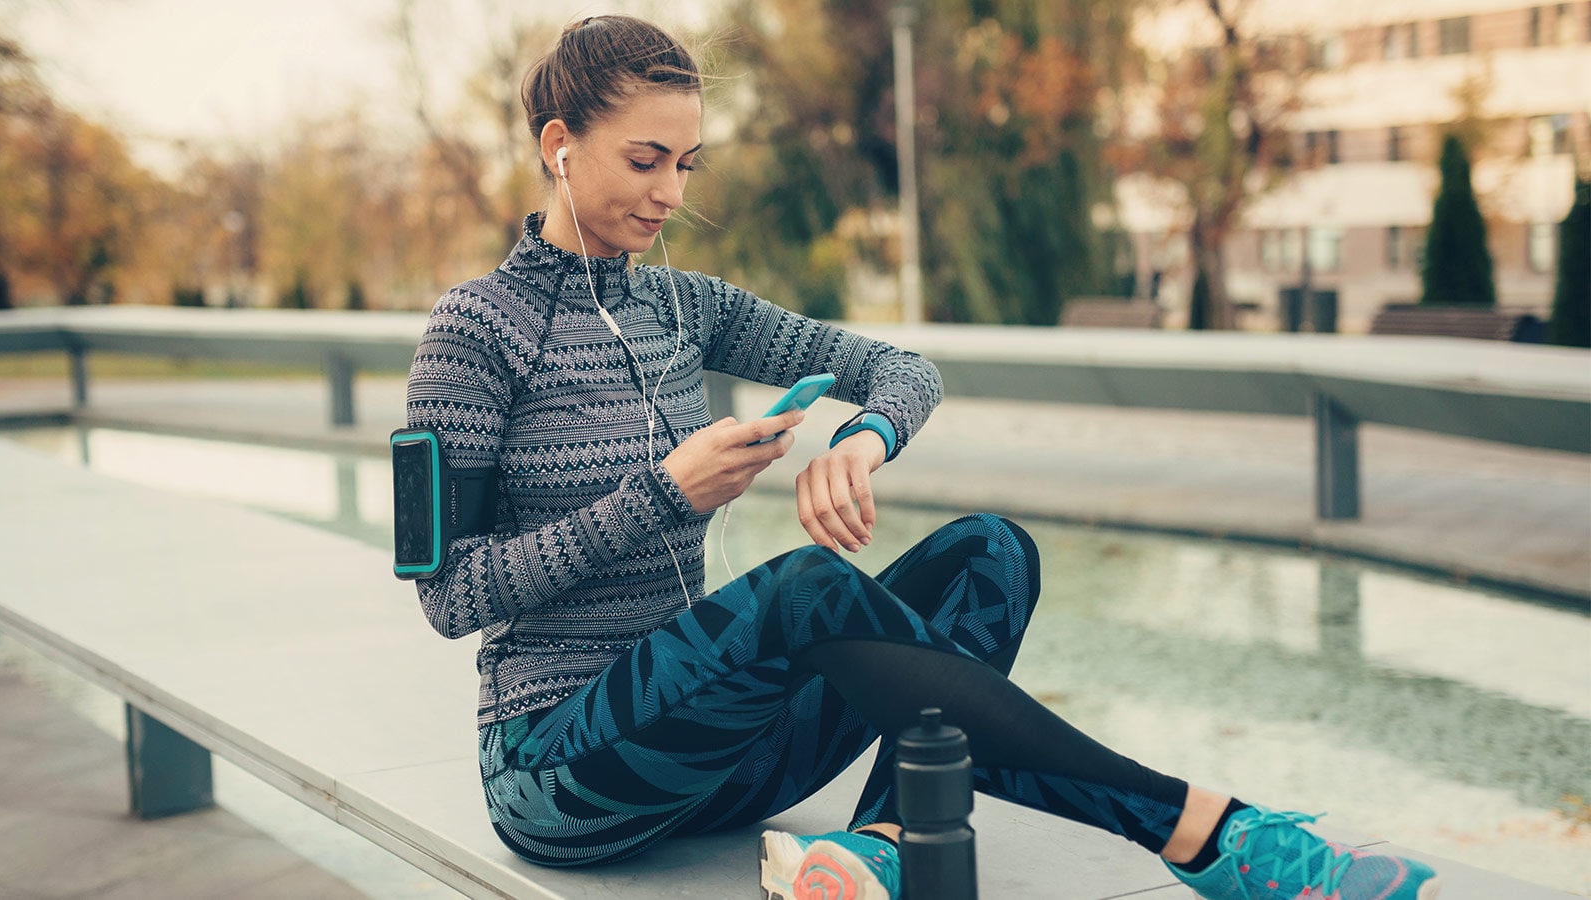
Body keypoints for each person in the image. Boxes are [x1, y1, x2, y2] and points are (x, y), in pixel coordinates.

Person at [404, 15, 1442, 900]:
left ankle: (886, 844)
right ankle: (1207, 834)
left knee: (992, 551)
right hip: (563, 769)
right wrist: (665, 494)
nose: (672, 193)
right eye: (645, 160)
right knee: (803, 590)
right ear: (559, 145)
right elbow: (449, 598)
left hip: (724, 761)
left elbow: (902, 367)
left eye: (687, 164)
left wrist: (862, 438)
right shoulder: (474, 332)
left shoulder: (686, 304)